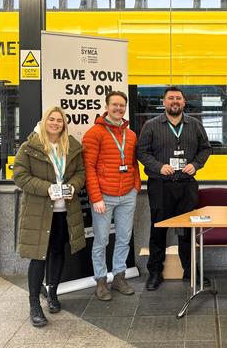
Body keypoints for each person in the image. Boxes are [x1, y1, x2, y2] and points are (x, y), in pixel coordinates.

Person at [14, 106, 86, 327]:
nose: (55, 123)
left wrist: (72, 187)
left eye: (60, 120)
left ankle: (52, 292)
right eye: (52, 119)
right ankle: (34, 304)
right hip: (39, 212)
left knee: (57, 251)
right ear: (44, 122)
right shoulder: (29, 147)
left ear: (64, 124)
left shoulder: (72, 146)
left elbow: (80, 173)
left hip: (64, 211)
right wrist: (48, 188)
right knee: (38, 258)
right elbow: (19, 176)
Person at [137, 86, 212, 291]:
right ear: (164, 102)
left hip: (187, 185)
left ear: (184, 102)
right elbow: (142, 152)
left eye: (178, 98)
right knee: (158, 230)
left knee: (187, 230)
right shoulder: (152, 126)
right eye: (170, 98)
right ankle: (154, 273)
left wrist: (196, 164)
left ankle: (190, 272)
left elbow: (206, 148)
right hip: (161, 186)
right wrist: (159, 166)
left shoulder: (195, 125)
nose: (174, 101)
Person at [83, 91, 141, 301]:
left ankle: (119, 276)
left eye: (122, 105)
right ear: (106, 106)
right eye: (114, 105)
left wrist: (135, 186)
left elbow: (133, 163)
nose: (118, 109)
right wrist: (96, 197)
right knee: (101, 240)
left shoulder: (131, 134)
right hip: (104, 196)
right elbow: (88, 168)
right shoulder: (94, 133)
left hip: (127, 194)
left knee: (124, 238)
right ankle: (100, 280)